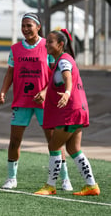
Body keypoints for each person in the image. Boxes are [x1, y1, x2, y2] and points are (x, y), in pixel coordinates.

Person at [0, 13, 72, 191]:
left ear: (38, 26)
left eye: (29, 25)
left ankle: (64, 179)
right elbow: (10, 72)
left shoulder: (49, 46)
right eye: (23, 25)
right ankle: (11, 178)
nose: (25, 29)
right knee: (14, 140)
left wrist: (46, 91)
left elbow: (57, 73)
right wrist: (2, 91)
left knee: (53, 141)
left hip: (45, 102)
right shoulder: (15, 48)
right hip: (21, 101)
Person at [35, 29, 100, 196]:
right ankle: (91, 185)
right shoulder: (63, 59)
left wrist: (67, 92)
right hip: (79, 110)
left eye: (50, 41)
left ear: (60, 44)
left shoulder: (64, 61)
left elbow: (67, 77)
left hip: (71, 112)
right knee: (73, 148)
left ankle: (50, 186)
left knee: (53, 145)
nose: (46, 44)